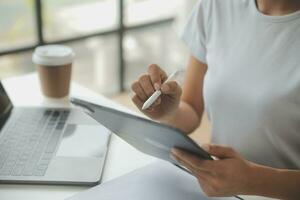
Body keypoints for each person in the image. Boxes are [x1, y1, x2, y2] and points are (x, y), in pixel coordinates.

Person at [131, 0, 300, 199]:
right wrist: (169, 113)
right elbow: (192, 109)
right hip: (220, 191)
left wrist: (253, 180)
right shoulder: (216, 6)